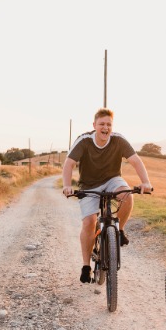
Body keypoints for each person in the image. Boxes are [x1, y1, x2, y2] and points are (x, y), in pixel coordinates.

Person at [62, 108, 153, 283]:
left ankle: (119, 231)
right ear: (94, 125)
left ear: (112, 126)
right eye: (102, 124)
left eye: (108, 124)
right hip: (89, 185)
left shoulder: (118, 140)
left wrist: (146, 182)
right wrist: (67, 185)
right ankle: (86, 265)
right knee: (89, 222)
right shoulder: (84, 141)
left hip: (113, 179)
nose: (105, 128)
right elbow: (69, 164)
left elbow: (135, 160)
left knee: (127, 196)